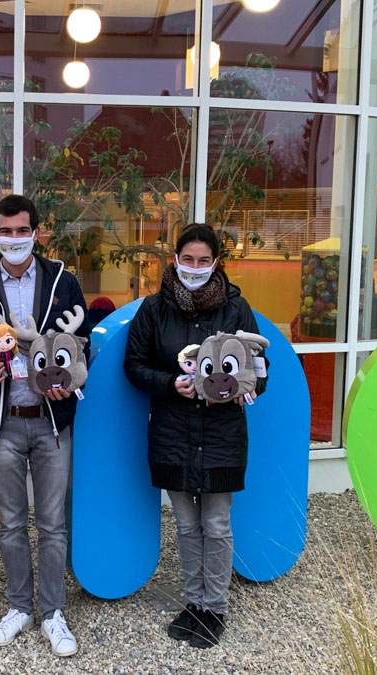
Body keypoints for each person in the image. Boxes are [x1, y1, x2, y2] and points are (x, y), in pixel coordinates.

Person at [0, 194, 89, 658]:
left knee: (51, 523)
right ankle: (18, 608)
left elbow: (82, 346)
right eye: (4, 231)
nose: (13, 239)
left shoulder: (62, 282)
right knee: (10, 523)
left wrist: (69, 381)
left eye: (21, 230)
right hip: (2, 422)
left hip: (51, 424)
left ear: (37, 233)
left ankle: (51, 612)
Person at [122, 224, 265, 649]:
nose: (195, 268)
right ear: (175, 260)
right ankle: (193, 602)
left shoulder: (238, 311)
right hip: (172, 434)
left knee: (217, 524)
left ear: (217, 263)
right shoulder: (153, 310)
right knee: (186, 524)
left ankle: (215, 608)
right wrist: (171, 384)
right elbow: (134, 365)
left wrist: (242, 389)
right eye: (188, 260)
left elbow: (260, 371)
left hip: (222, 437)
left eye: (204, 261)